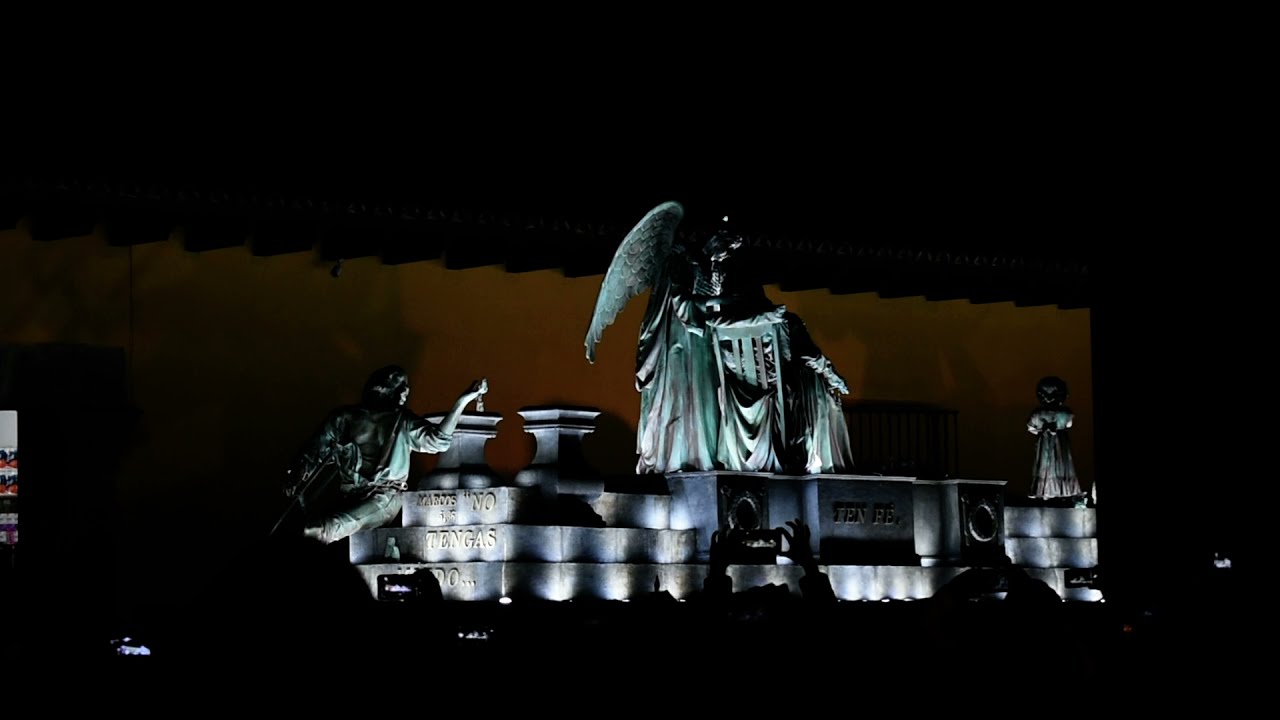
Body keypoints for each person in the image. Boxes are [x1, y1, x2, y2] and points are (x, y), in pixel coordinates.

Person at [282, 366, 487, 544]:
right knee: (298, 524)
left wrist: (461, 402)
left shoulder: (402, 421)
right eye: (401, 388)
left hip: (384, 499)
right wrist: (298, 474)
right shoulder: (343, 418)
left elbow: (439, 441)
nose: (405, 394)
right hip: (349, 495)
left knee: (321, 529)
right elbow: (314, 451)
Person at [1026, 376, 1082, 501]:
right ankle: (1061, 491)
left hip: (1044, 444)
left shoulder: (1037, 414)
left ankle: (1044, 492)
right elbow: (1069, 424)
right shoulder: (1066, 413)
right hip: (1060, 443)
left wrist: (1043, 429)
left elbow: (1030, 428)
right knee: (1060, 465)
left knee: (1044, 467)